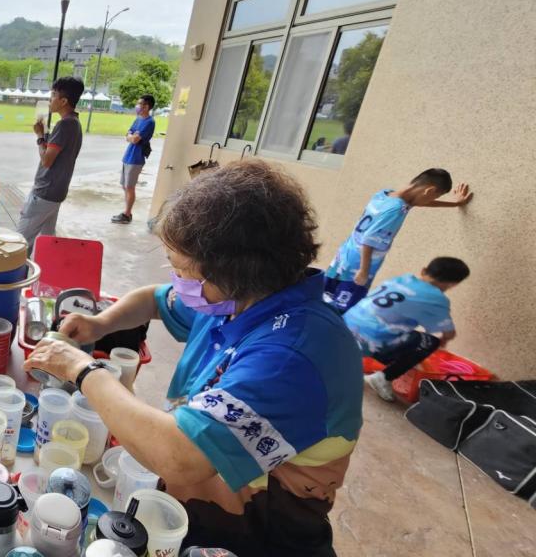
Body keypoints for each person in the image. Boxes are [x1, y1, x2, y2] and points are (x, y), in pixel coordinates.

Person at [25, 160, 364, 555]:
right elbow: (153, 299)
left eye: (183, 269)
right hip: (197, 517)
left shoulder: (292, 356)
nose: (178, 281)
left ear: (231, 271)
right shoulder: (238, 299)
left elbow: (180, 456)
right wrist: (100, 323)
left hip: (258, 538)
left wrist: (83, 370)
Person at [323, 169, 473, 313]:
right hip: (357, 267)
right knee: (342, 309)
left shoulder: (385, 195)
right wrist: (364, 271)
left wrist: (455, 203)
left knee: (323, 298)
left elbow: (420, 202)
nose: (431, 201)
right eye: (434, 197)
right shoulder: (397, 210)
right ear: (429, 190)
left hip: (342, 257)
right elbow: (369, 240)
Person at [349, 257, 470, 401]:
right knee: (429, 342)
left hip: (343, 329)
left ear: (423, 270)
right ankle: (383, 377)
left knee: (402, 334)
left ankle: (355, 361)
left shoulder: (401, 280)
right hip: (367, 342)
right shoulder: (437, 299)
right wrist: (444, 340)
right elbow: (449, 333)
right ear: (452, 284)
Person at [16, 76, 85, 251]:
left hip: (45, 192)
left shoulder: (64, 125)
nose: (50, 100)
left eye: (53, 95)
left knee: (20, 242)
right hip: (57, 192)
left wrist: (39, 137)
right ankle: (42, 274)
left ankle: (17, 276)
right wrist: (46, 133)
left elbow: (47, 160)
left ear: (63, 101)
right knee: (47, 241)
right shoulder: (75, 123)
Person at [111, 94, 156, 224]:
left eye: (140, 103)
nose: (137, 106)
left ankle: (127, 214)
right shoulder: (138, 119)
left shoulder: (149, 122)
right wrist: (131, 136)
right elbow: (128, 134)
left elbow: (135, 139)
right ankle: (127, 212)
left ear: (146, 106)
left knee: (130, 187)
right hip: (128, 156)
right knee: (125, 186)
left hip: (136, 158)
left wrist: (132, 137)